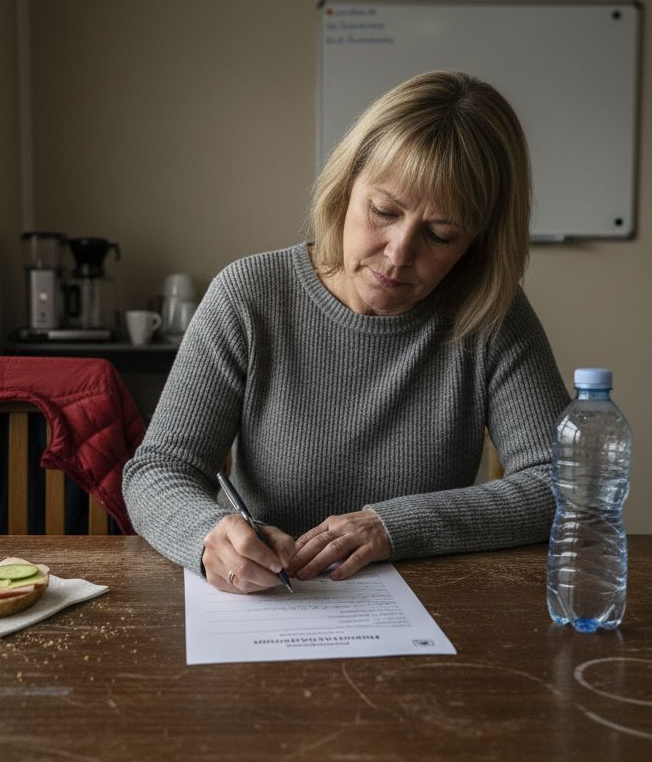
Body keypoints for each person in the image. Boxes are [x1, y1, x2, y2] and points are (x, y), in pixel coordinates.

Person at [122, 70, 569, 594]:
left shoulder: (489, 311)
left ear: (477, 243)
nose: (399, 254)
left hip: (432, 612)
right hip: (274, 606)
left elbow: (559, 484)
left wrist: (393, 527)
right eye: (383, 211)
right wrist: (208, 536)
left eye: (441, 235)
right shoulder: (250, 295)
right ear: (345, 186)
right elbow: (158, 471)